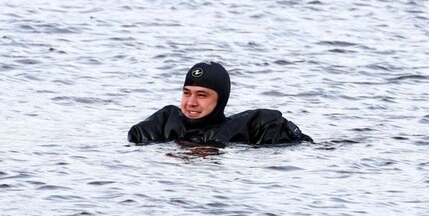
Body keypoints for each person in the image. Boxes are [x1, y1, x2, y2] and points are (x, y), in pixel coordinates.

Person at [127, 61, 313, 146]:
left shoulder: (253, 126)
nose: (191, 102)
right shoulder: (165, 121)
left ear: (221, 100)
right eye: (186, 93)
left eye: (202, 95)